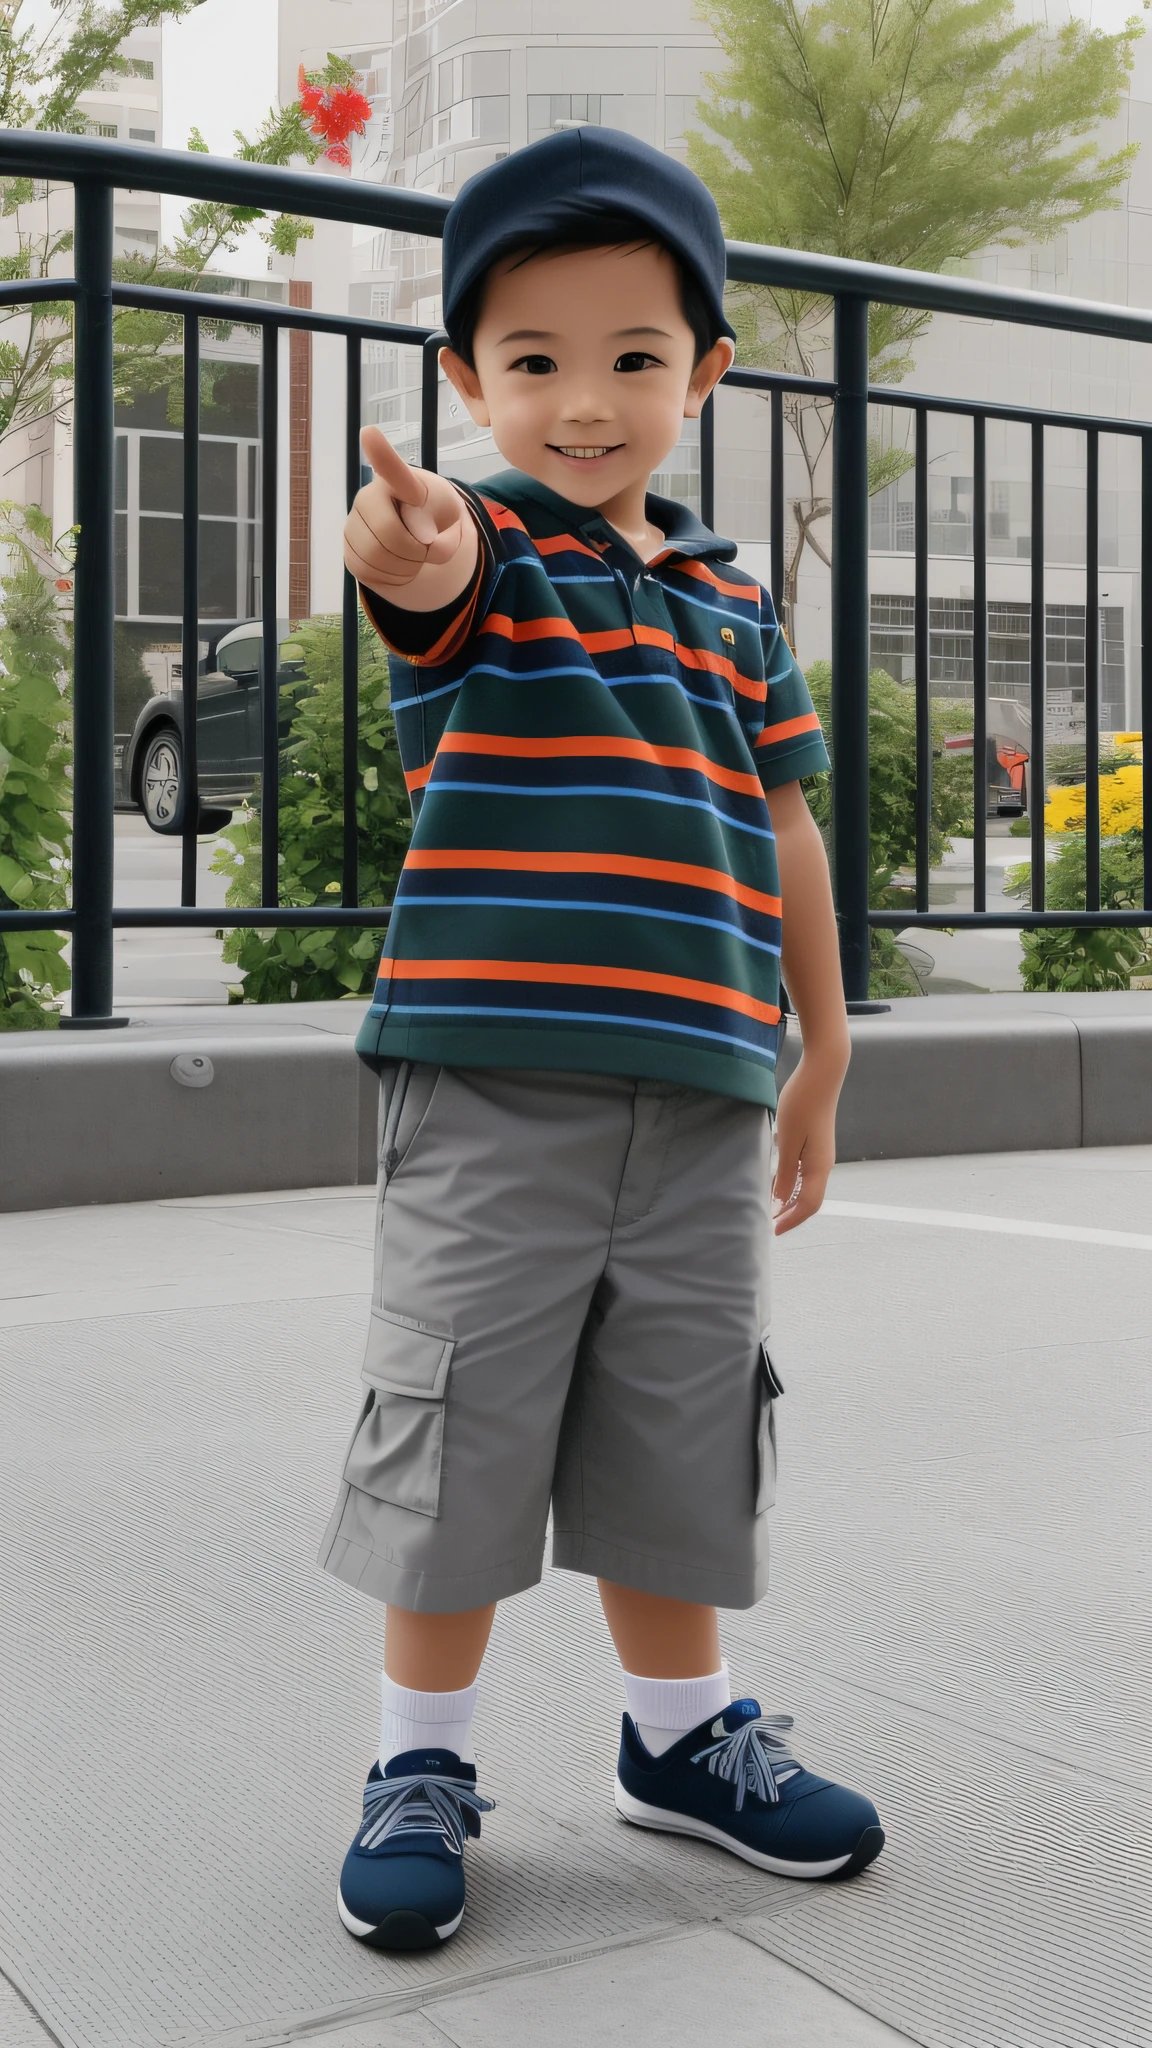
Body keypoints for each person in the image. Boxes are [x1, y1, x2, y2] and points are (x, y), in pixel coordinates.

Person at [319, 125, 883, 1954]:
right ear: (468, 375)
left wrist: (825, 1041)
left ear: (705, 372)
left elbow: (788, 824)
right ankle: (421, 1759)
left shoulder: (732, 597)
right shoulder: (486, 559)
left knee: (681, 1422)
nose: (584, 402)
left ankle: (681, 1734)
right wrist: (408, 550)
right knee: (461, 1414)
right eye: (534, 361)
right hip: (495, 1084)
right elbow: (429, 587)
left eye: (634, 358)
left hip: (710, 1092)